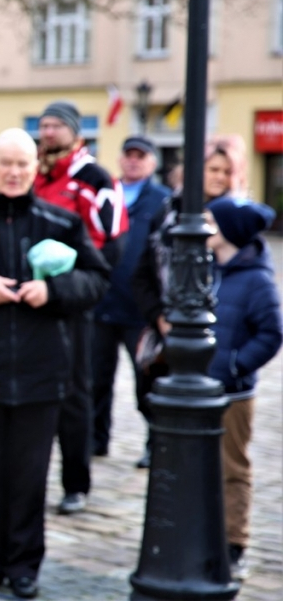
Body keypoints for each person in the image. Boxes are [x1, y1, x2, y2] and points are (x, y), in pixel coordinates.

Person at [0, 128, 110, 599]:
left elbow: (97, 279)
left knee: (29, 477)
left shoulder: (61, 222)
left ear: (35, 168)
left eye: (23, 164)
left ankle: (23, 565)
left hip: (43, 370)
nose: (14, 173)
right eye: (6, 164)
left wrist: (52, 291)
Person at [131, 135, 251, 462]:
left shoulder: (241, 219)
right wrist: (159, 317)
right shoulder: (169, 211)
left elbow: (252, 281)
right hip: (167, 331)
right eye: (213, 169)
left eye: (227, 171)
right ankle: (158, 441)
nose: (219, 177)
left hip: (223, 334)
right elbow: (143, 273)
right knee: (152, 395)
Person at [34, 100, 127, 515]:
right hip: (28, 302)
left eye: (57, 125)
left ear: (75, 132)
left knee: (74, 398)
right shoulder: (34, 173)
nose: (49, 132)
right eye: (44, 125)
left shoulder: (94, 177)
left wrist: (76, 284)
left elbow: (110, 244)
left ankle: (76, 483)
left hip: (72, 302)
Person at [204, 196, 282, 582]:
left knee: (232, 468)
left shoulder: (256, 278)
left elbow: (272, 334)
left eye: (211, 222)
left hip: (233, 394)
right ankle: (205, 533)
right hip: (201, 390)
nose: (204, 228)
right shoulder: (208, 268)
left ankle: (235, 543)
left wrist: (236, 365)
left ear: (229, 231)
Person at [90, 136, 171, 464]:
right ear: (121, 159)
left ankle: (154, 442)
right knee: (96, 379)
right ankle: (96, 439)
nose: (134, 161)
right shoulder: (107, 194)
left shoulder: (162, 199)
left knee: (146, 381)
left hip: (139, 309)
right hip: (103, 302)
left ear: (152, 162)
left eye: (141, 156)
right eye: (129, 155)